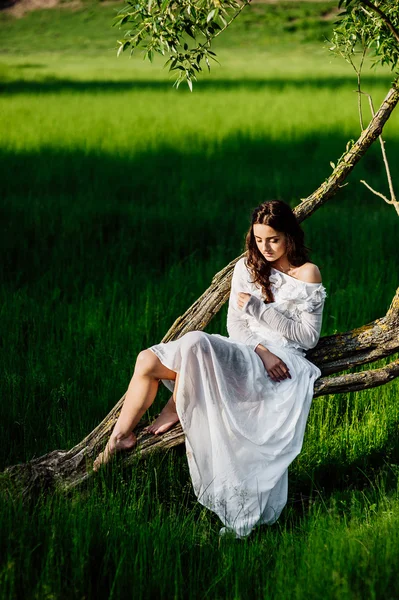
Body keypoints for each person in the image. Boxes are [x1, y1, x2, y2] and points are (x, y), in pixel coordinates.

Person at [92, 200, 327, 539]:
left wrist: (262, 311)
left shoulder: (307, 273)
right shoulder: (248, 267)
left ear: (290, 236)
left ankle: (175, 407)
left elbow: (308, 337)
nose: (265, 248)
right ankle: (120, 437)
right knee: (146, 360)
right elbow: (235, 326)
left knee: (195, 343)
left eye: (273, 240)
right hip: (250, 351)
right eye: (259, 240)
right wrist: (260, 349)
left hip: (282, 363)